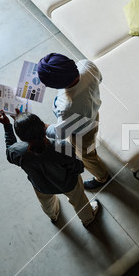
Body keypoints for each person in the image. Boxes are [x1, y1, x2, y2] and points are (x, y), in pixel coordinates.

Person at [0, 109, 100, 227]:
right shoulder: (63, 146)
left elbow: (10, 149)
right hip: (68, 184)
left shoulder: (17, 152)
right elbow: (77, 167)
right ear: (43, 128)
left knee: (46, 203)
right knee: (79, 201)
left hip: (41, 186)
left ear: (21, 137)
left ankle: (53, 216)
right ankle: (88, 219)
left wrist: (7, 125)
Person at [37, 53, 110, 190]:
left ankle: (102, 177)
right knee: (89, 148)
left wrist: (44, 127)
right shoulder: (86, 65)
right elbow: (99, 79)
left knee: (86, 155)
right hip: (93, 113)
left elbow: (60, 133)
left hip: (82, 130)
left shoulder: (67, 107)